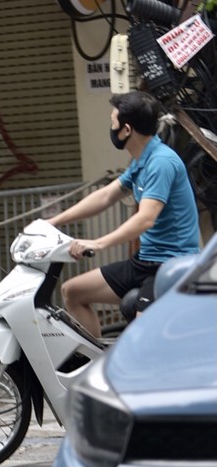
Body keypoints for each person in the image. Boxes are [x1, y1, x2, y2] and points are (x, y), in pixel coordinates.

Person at [47, 91, 200, 337]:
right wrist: (54, 221)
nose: (111, 127)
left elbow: (145, 218)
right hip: (145, 261)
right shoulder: (141, 160)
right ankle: (96, 365)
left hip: (171, 265)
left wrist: (98, 243)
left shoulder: (161, 162)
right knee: (73, 292)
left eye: (113, 122)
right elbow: (107, 195)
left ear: (127, 130)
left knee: (142, 336)